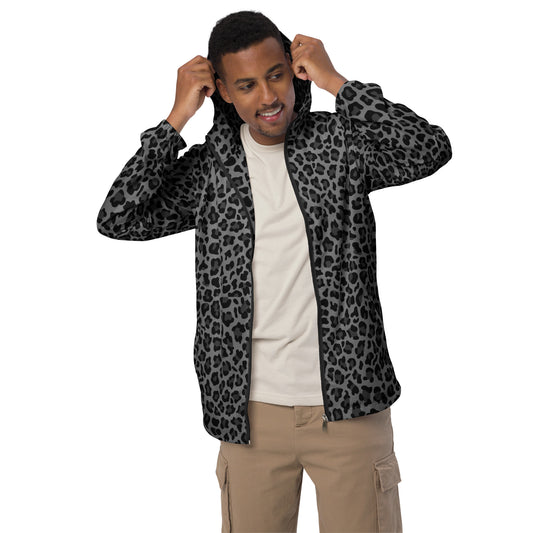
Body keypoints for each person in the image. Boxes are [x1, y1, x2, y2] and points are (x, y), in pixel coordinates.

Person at [96, 10, 452, 533]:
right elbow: (118, 218)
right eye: (246, 85)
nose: (268, 97)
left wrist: (336, 82)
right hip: (249, 414)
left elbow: (429, 148)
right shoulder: (213, 168)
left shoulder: (339, 145)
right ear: (222, 91)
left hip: (351, 405)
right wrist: (175, 119)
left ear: (293, 68)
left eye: (276, 75)